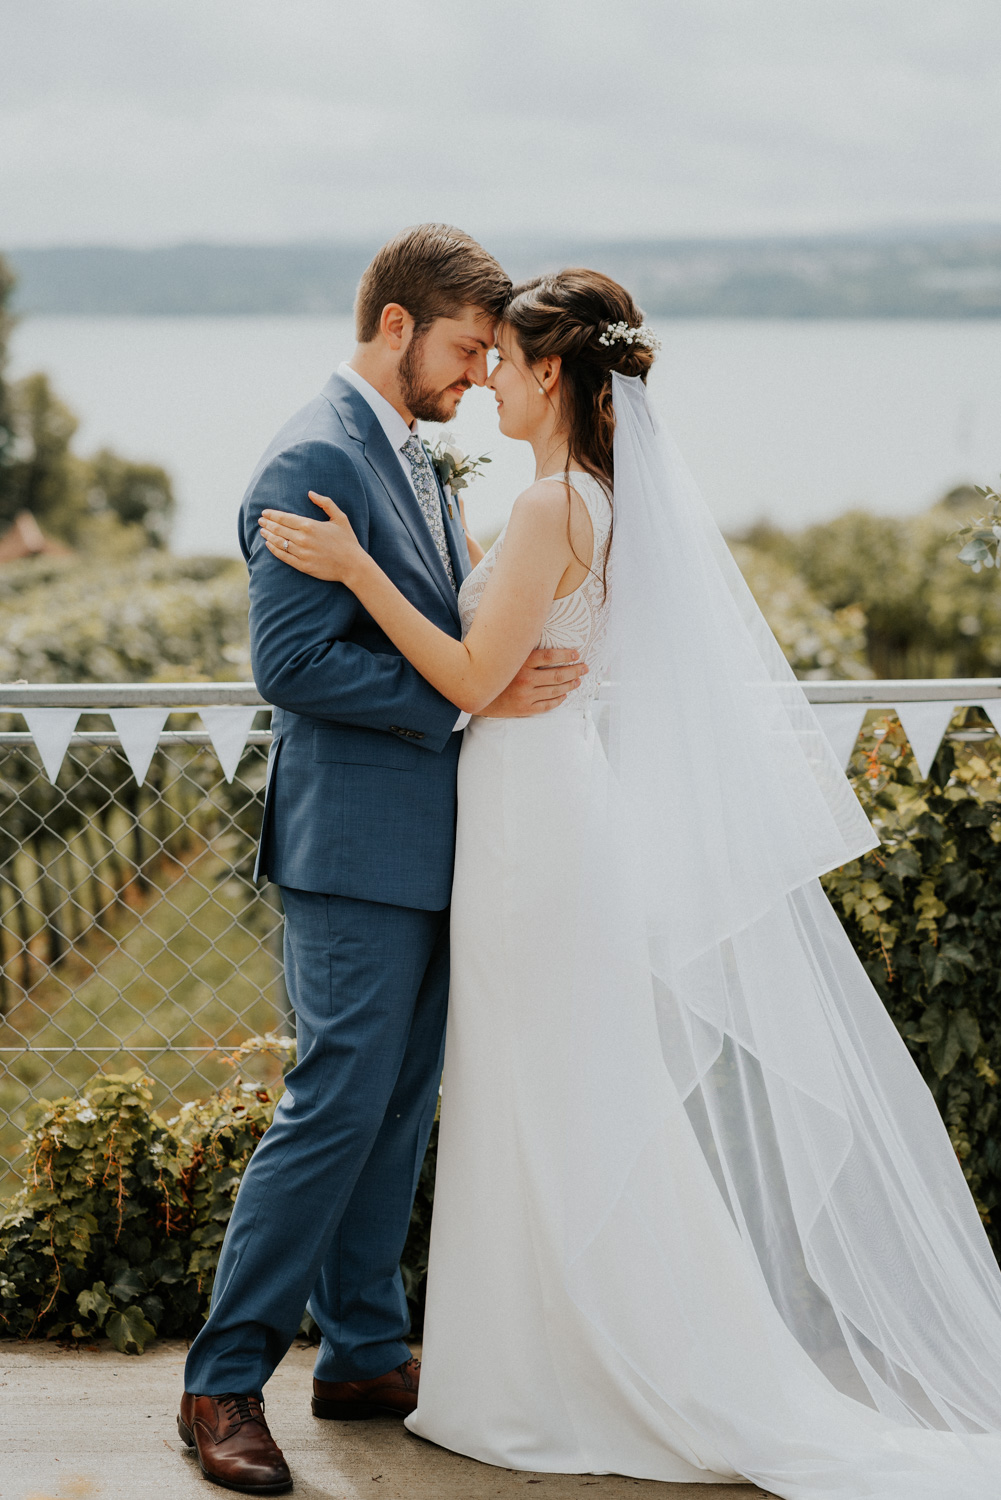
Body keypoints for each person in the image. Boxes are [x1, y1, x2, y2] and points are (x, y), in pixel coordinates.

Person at [260, 267, 1001, 1499]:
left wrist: (351, 566)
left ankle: (572, 1372)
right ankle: (530, 1362)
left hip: (532, 831)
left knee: (547, 1088)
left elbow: (461, 675)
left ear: (553, 373)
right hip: (532, 814)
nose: (486, 375)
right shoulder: (577, 494)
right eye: (476, 354)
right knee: (541, 1092)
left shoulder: (554, 501)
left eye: (503, 359)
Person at [177, 225, 589, 1495]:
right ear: (398, 326)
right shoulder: (313, 454)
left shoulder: (406, 449)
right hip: (352, 845)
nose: (477, 378)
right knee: (334, 1101)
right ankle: (221, 1382)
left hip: (431, 845)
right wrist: (468, 699)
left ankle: (361, 1350)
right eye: (467, 350)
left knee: (399, 1106)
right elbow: (290, 669)